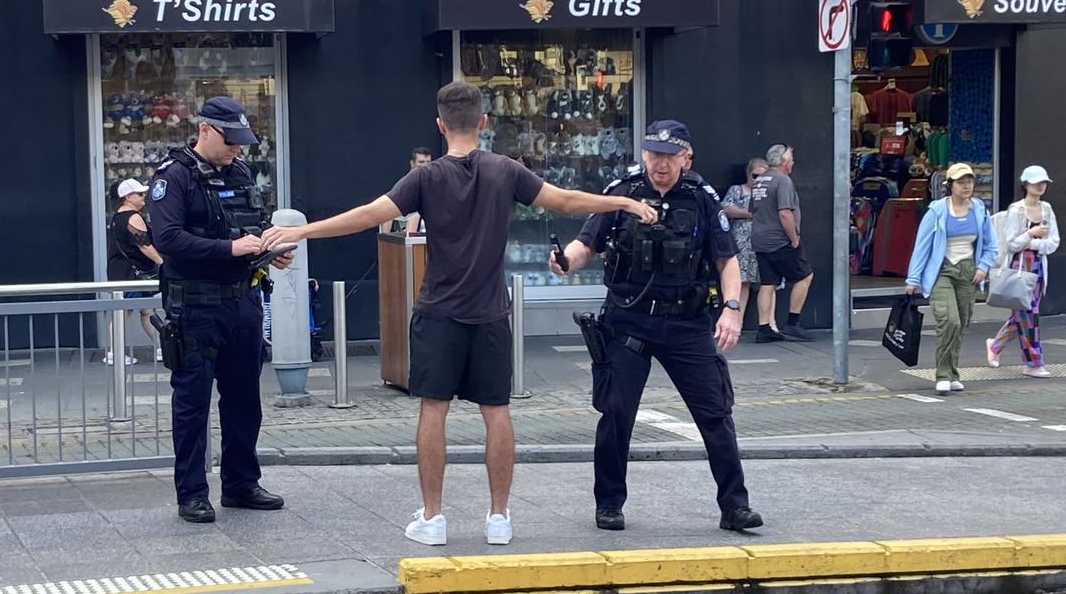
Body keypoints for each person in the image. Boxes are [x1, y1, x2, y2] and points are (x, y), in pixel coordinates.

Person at [261, 82, 655, 546]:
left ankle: (433, 517)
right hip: (491, 314)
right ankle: (499, 518)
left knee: (433, 409)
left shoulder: (424, 178)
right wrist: (624, 201)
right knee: (497, 411)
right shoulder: (507, 170)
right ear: (484, 122)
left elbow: (369, 215)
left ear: (440, 125)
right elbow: (566, 200)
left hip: (438, 312)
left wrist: (302, 231)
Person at [551, 119, 761, 534]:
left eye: (669, 156)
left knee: (716, 415)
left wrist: (732, 309)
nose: (660, 163)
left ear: (686, 157)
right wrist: (564, 262)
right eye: (653, 154)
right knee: (615, 414)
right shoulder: (622, 194)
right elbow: (586, 243)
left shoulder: (702, 198)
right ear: (643, 154)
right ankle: (609, 503)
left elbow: (727, 261)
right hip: (629, 322)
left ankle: (735, 506)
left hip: (687, 323)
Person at [148, 96, 294, 524]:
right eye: (230, 141)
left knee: (244, 400)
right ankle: (192, 493)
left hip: (242, 302)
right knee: (193, 405)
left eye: (241, 142)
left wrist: (270, 246)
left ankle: (241, 483)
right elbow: (168, 239)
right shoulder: (174, 177)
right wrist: (229, 248)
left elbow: (255, 223)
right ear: (205, 130)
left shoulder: (241, 172)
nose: (236, 149)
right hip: (195, 309)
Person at [905, 162, 997, 395]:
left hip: (969, 272)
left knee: (962, 322)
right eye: (961, 182)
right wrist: (913, 278)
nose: (966, 186)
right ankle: (943, 374)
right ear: (950, 185)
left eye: (969, 181)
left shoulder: (978, 209)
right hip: (941, 271)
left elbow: (991, 245)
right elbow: (922, 246)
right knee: (949, 321)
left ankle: (953, 372)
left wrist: (983, 267)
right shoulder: (937, 211)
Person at [987, 165, 1059, 377]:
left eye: (1043, 182)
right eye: (1036, 182)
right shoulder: (1016, 210)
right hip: (1019, 267)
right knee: (1029, 314)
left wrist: (1034, 244)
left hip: (1038, 266)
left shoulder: (1047, 209)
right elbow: (1012, 244)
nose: (1040, 186)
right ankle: (1034, 362)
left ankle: (995, 345)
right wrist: (1031, 234)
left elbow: (1053, 242)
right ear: (1025, 185)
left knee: (1023, 313)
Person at [749, 144, 814, 342]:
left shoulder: (760, 181)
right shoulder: (783, 181)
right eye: (791, 159)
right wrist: (794, 238)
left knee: (768, 283)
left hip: (760, 240)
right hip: (780, 240)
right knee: (805, 276)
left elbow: (754, 210)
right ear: (784, 162)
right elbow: (785, 212)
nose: (793, 163)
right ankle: (793, 322)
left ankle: (764, 328)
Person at [106, 178, 164, 366]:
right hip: (131, 274)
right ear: (127, 197)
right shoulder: (133, 217)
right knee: (125, 312)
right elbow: (144, 244)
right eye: (139, 194)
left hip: (121, 271)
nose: (143, 197)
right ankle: (115, 351)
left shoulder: (117, 217)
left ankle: (161, 346)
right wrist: (161, 261)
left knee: (144, 310)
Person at [721, 158, 768, 331]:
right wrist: (750, 214)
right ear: (748, 174)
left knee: (767, 283)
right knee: (742, 282)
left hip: (762, 242)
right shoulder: (737, 190)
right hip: (741, 243)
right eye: (755, 176)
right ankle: (736, 322)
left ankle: (769, 324)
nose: (757, 180)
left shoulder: (767, 192)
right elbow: (726, 208)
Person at [380, 147, 433, 234]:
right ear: (412, 163)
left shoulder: (436, 185)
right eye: (421, 162)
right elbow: (386, 212)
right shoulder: (403, 187)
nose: (425, 166)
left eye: (428, 162)